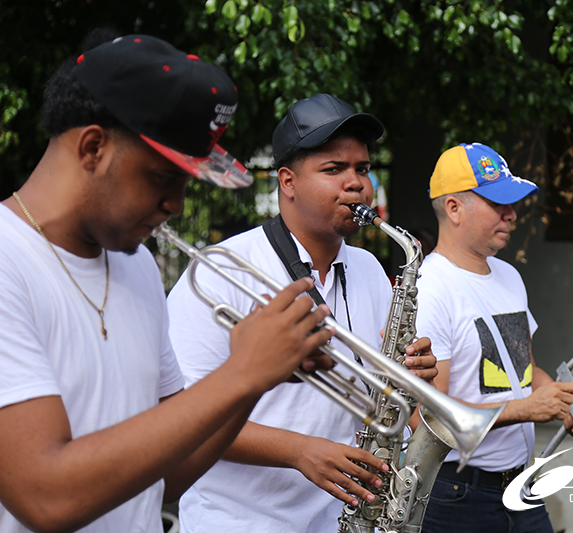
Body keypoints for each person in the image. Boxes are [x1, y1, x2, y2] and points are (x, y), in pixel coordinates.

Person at [0, 33, 333, 533]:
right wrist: (241, 373)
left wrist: (256, 380)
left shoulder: (136, 266)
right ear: (93, 147)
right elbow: (46, 498)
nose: (175, 205)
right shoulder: (7, 260)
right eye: (161, 177)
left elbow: (166, 476)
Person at [167, 93, 438, 532]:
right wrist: (298, 451)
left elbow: (383, 394)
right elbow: (182, 418)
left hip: (343, 519)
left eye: (363, 169)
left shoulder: (370, 268)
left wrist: (410, 379)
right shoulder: (222, 270)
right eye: (334, 169)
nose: (356, 184)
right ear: (288, 182)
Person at [416, 143, 573, 533]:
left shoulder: (510, 276)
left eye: (511, 202)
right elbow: (428, 417)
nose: (512, 213)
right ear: (454, 209)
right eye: (497, 203)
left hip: (521, 485)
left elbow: (524, 370)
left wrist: (566, 404)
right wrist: (525, 409)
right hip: (457, 494)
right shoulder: (430, 289)